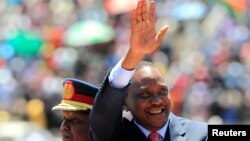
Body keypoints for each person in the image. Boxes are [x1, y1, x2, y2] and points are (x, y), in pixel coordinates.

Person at [90, 0, 208, 141]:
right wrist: (134, 54)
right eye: (145, 94)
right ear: (125, 103)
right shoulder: (114, 134)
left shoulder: (201, 133)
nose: (157, 101)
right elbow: (104, 111)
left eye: (163, 92)